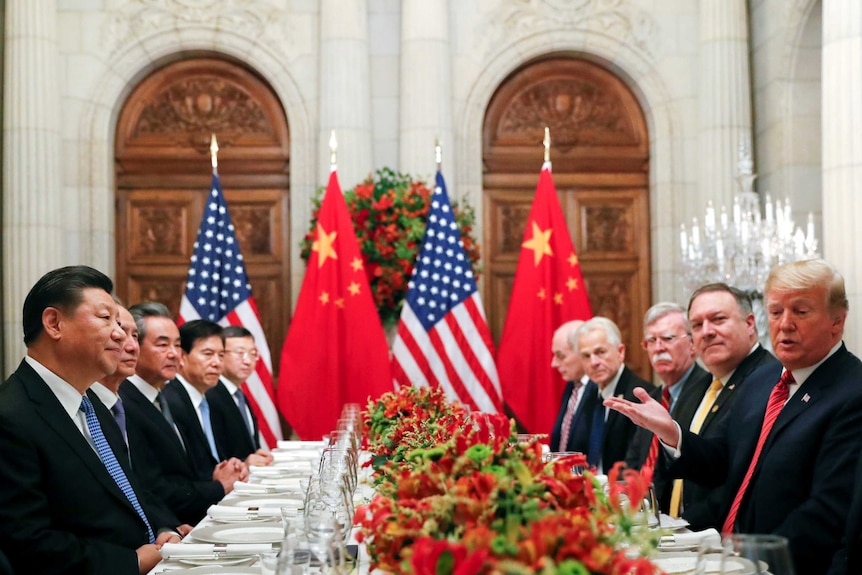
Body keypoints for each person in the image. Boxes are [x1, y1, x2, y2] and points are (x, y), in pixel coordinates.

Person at [606, 259, 862, 574]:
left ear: (837, 321)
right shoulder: (764, 381)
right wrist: (672, 431)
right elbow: (723, 461)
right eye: (777, 312)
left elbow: (829, 509)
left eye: (801, 311)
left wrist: (745, 558)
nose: (785, 324)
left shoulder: (852, 392)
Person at [0, 266, 178, 574]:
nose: (121, 334)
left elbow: (128, 490)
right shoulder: (11, 417)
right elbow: (29, 542)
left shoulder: (90, 402)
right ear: (54, 323)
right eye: (105, 318)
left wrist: (162, 529)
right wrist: (132, 562)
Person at [120, 302, 244, 525]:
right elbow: (152, 487)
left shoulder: (167, 396)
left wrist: (219, 475)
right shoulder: (123, 403)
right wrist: (217, 486)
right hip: (170, 526)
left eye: (177, 345)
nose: (174, 354)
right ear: (134, 346)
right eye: (162, 344)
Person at [677, 283, 777, 527]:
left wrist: (683, 527)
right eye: (697, 325)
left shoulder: (769, 380)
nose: (707, 332)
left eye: (718, 319)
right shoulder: (698, 386)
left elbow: (740, 477)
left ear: (750, 324)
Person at [624, 303, 710, 509]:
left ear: (692, 344)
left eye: (668, 339)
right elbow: (634, 461)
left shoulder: (708, 391)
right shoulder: (652, 397)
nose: (658, 348)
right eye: (652, 341)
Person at [568, 316, 659, 472]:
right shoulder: (589, 394)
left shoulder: (641, 396)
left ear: (620, 352)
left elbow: (637, 463)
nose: (594, 362)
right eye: (586, 356)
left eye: (600, 352)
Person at [164, 320, 247, 481]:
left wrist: (233, 466)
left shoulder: (207, 399)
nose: (217, 363)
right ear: (182, 357)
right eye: (208, 354)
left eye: (221, 355)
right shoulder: (171, 401)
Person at [207, 325, 274, 466]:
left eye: (252, 353)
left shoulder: (238, 394)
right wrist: (245, 463)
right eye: (239, 353)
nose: (247, 361)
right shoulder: (210, 395)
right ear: (221, 355)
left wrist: (256, 455)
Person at [548, 320, 595, 452]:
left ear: (582, 352)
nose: (554, 364)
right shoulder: (572, 385)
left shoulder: (600, 389)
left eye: (560, 356)